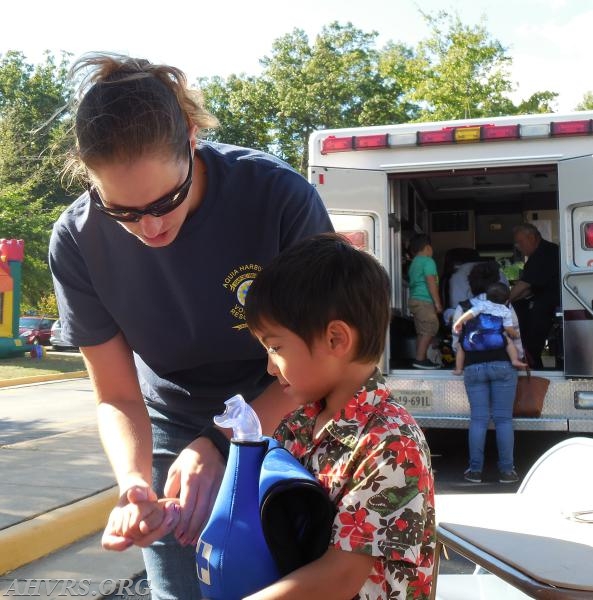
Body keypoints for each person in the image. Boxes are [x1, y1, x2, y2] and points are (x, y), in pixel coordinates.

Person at [48, 52, 333, 599]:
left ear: (193, 138)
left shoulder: (276, 197)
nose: (151, 227)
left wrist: (223, 442)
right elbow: (115, 395)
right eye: (123, 212)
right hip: (175, 422)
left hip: (290, 408)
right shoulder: (78, 240)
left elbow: (322, 359)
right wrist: (135, 485)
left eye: (167, 200)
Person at [243, 233, 436, 600]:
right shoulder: (297, 424)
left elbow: (341, 575)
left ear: (336, 339)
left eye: (275, 346)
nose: (269, 367)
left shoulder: (392, 444)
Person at [451, 262, 522, 485]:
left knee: (479, 420)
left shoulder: (464, 307)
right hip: (503, 365)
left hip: (473, 367)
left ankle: (474, 471)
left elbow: (457, 343)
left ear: (471, 283)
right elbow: (515, 337)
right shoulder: (504, 305)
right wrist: (518, 358)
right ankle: (507, 472)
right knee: (503, 420)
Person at [510, 223, 561, 369]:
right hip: (542, 303)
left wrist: (502, 301)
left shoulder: (544, 253)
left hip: (548, 306)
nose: (518, 247)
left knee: (531, 344)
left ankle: (533, 369)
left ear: (531, 238)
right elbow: (528, 288)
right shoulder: (540, 254)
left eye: (520, 242)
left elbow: (525, 285)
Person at [452, 282, 527, 375]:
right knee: (509, 342)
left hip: (473, 354)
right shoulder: (506, 309)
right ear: (507, 300)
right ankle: (515, 360)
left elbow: (457, 333)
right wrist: (520, 353)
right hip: (498, 352)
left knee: (460, 345)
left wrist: (459, 322)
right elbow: (511, 329)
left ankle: (458, 368)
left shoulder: (471, 305)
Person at [407, 234, 442, 369]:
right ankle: (420, 359)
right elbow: (430, 281)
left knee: (422, 331)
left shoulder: (415, 262)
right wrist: (437, 303)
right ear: (427, 248)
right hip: (424, 300)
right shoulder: (428, 261)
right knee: (430, 328)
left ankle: (421, 358)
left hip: (415, 300)